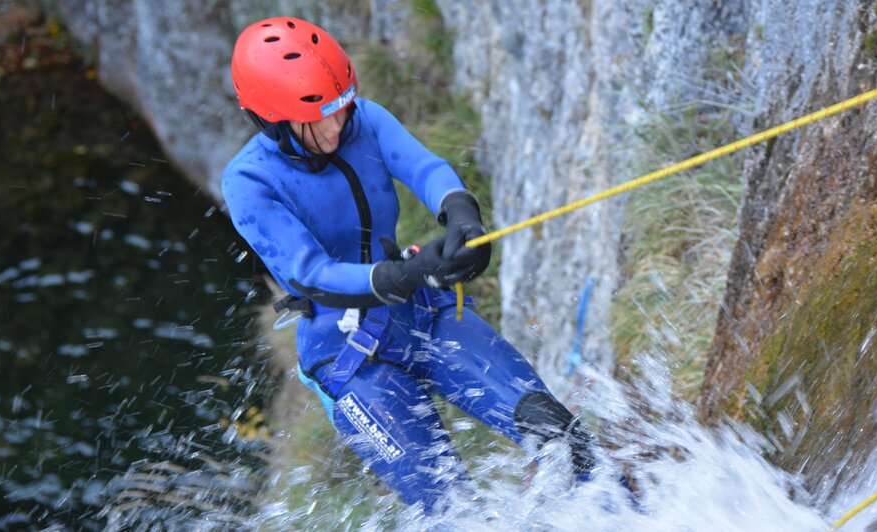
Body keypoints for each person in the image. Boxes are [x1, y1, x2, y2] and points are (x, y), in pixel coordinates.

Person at [222, 17, 602, 513]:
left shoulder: (366, 121)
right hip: (349, 358)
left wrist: (461, 212)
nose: (337, 125)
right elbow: (310, 273)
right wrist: (400, 275)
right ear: (271, 121)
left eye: (342, 106)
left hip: (422, 311)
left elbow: (425, 169)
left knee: (558, 434)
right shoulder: (249, 182)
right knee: (454, 511)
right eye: (317, 119)